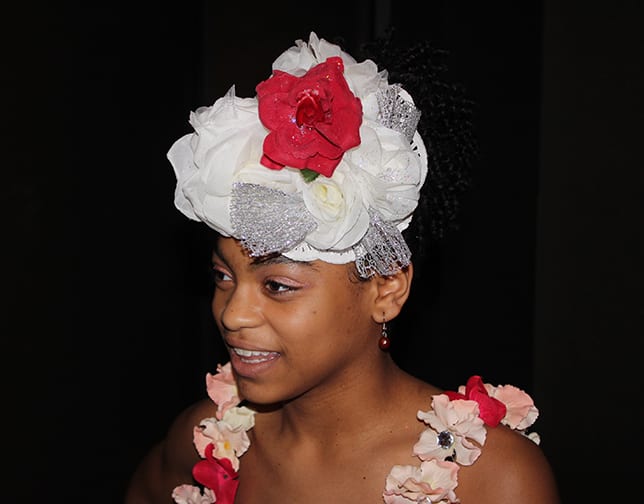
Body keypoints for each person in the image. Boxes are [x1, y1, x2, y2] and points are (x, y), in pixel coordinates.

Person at [125, 31, 560, 504]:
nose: (232, 314)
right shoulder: (207, 441)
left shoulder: (492, 479)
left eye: (277, 285)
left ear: (387, 287)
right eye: (222, 277)